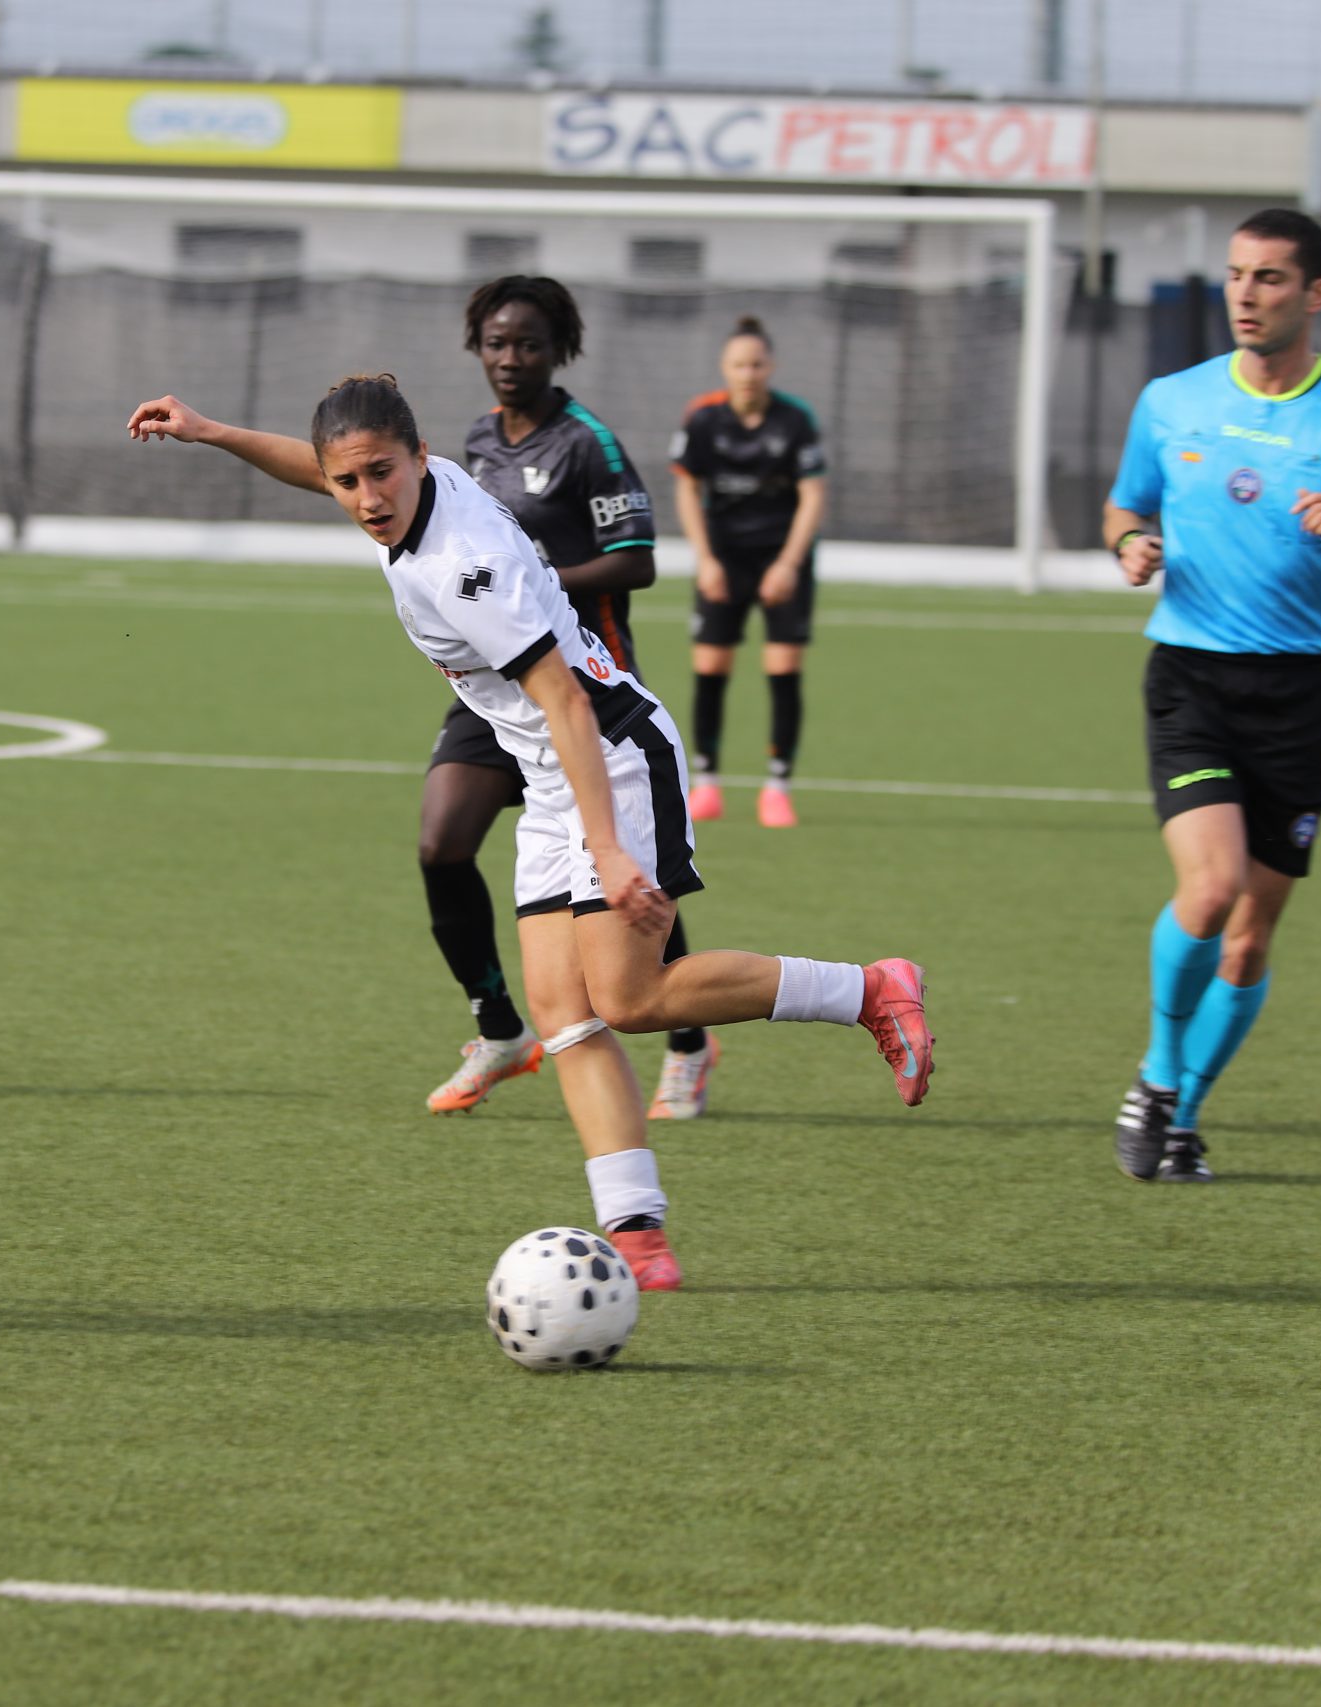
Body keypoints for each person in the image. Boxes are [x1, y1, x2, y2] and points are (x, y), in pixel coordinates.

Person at [128, 376, 935, 1290]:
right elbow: (315, 467)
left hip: (612, 757)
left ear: (419, 456)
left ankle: (868, 989)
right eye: (348, 481)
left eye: (380, 474)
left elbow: (566, 702)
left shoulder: (463, 569)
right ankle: (637, 1237)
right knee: (564, 1015)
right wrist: (210, 430)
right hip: (553, 774)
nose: (365, 498)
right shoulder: (414, 492)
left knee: (630, 997)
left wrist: (611, 849)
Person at [1102, 209, 1321, 1183]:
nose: (1245, 295)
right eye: (1235, 275)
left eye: (1268, 278)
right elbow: (1125, 502)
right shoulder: (1172, 401)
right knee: (1210, 890)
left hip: (1295, 693)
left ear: (1316, 294)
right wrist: (1128, 543)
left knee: (1250, 939)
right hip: (1188, 677)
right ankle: (1156, 1076)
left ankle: (1183, 1117)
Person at [438, 276, 717, 1122]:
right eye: (496, 342)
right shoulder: (477, 440)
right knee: (441, 845)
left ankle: (689, 1042)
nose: (510, 358)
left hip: (580, 682)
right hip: (495, 688)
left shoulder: (589, 442)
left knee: (625, 876)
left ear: (559, 349)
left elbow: (638, 559)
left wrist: (533, 578)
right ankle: (498, 1028)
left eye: (528, 343)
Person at [670, 316, 827, 829]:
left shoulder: (795, 419)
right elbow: (686, 489)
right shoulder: (703, 418)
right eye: (739, 364)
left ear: (771, 366)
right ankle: (707, 783)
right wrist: (706, 559)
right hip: (724, 558)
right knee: (710, 669)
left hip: (782, 559)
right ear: (725, 367)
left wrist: (788, 564)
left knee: (782, 670)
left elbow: (812, 495)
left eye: (757, 364)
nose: (748, 373)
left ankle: (777, 788)